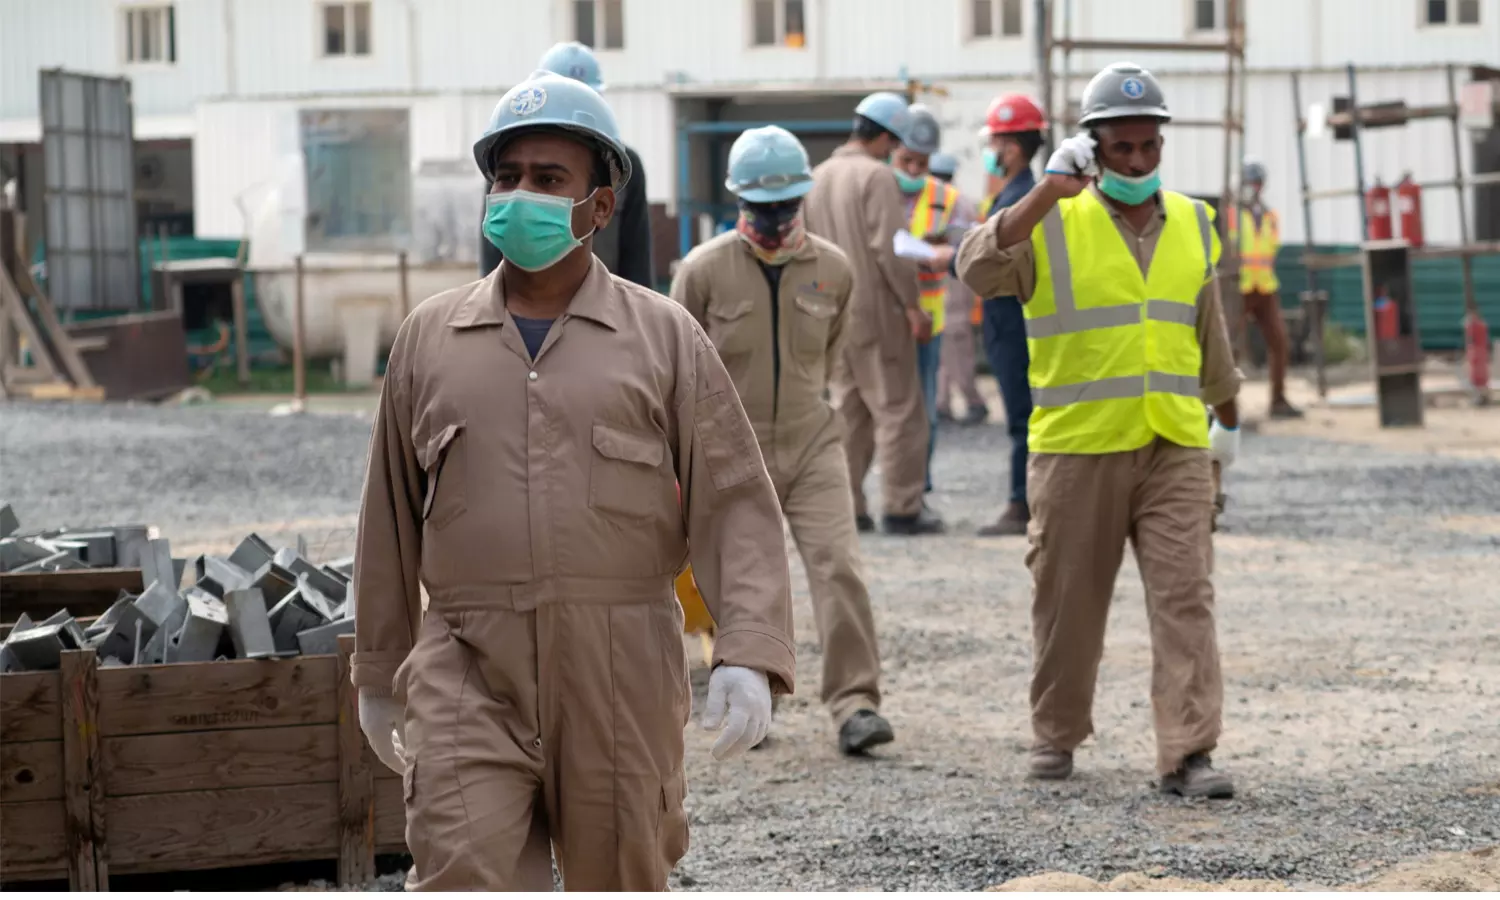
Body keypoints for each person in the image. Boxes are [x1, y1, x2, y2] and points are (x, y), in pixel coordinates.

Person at [354, 71, 796, 891]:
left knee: (621, 874)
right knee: (459, 867)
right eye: (507, 176)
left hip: (620, 666)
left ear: (600, 206)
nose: (520, 194)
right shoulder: (430, 339)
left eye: (548, 178)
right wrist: (379, 673)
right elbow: (388, 517)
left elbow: (733, 498)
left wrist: (749, 649)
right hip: (467, 662)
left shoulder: (664, 338)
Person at [956, 62, 1243, 798]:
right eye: (1123, 147)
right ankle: (1056, 735)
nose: (1139, 161)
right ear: (1092, 146)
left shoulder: (1194, 221)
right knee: (1068, 603)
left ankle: (1189, 752)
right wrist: (1046, 191)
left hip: (1174, 444)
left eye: (1150, 146)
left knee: (1186, 596)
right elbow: (976, 270)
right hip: (1077, 447)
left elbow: (1207, 330)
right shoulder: (1051, 217)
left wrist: (1229, 417)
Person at [671, 126, 895, 757]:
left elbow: (829, 356)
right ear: (739, 200)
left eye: (786, 205)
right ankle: (753, 701)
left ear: (802, 199)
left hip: (812, 441)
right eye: (761, 207)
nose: (774, 219)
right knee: (738, 583)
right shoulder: (704, 271)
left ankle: (856, 704)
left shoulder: (833, 270)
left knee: (839, 567)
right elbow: (678, 367)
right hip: (733, 452)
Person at [804, 91, 945, 535]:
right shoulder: (876, 176)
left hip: (831, 308)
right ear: (885, 137)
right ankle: (903, 507)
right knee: (899, 409)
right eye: (895, 142)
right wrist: (913, 307)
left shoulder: (817, 176)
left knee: (849, 412)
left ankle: (850, 506)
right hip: (878, 308)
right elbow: (890, 249)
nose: (894, 150)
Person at [479, 42, 655, 290]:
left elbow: (636, 254)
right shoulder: (509, 164)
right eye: (508, 177)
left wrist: (633, 307)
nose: (522, 189)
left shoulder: (620, 166)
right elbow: (491, 256)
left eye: (549, 179)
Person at [972, 93, 1048, 536]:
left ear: (1013, 149)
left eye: (995, 144)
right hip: (1008, 321)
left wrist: (951, 257)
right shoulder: (1018, 195)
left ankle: (1022, 503)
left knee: (1023, 415)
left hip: (1012, 323)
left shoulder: (1019, 200)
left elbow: (991, 261)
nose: (990, 152)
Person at [892, 104, 967, 493]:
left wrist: (942, 248)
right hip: (886, 318)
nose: (913, 170)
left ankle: (919, 486)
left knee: (925, 409)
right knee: (886, 409)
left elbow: (966, 241)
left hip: (927, 319)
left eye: (922, 162)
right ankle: (892, 486)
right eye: (906, 160)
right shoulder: (876, 189)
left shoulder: (947, 197)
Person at [1233, 159, 1303, 419]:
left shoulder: (1270, 216)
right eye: (1250, 182)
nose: (1254, 187)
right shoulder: (1231, 214)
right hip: (1238, 287)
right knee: (1230, 346)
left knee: (1279, 341)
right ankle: (1226, 403)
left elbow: (1270, 250)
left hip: (1264, 287)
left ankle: (1278, 400)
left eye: (1257, 183)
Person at [928, 152, 990, 426]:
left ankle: (974, 401)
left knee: (956, 341)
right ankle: (941, 403)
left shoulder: (949, 202)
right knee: (945, 344)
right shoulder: (952, 201)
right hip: (945, 278)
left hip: (953, 277)